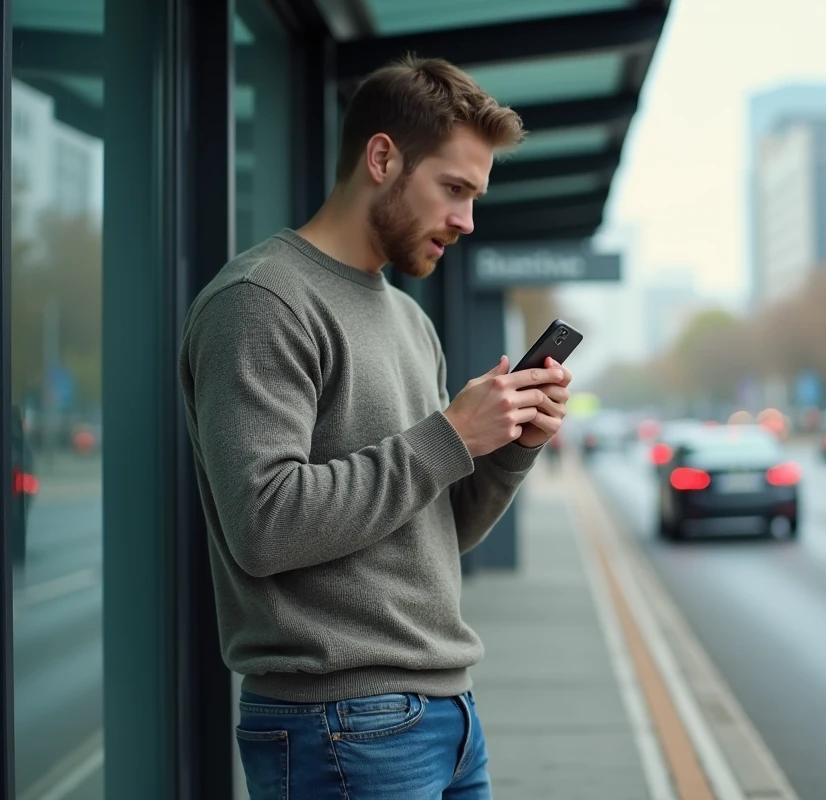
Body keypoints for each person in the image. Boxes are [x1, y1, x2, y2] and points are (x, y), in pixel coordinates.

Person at [178, 55, 572, 799]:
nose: (466, 221)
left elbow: (431, 535)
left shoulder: (410, 321)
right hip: (338, 723)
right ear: (383, 157)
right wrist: (450, 435)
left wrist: (509, 449)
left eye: (476, 197)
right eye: (453, 189)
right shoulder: (262, 302)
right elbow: (264, 526)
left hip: (447, 713)